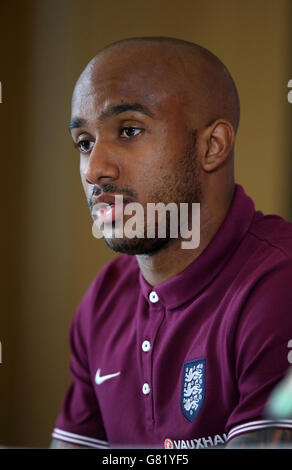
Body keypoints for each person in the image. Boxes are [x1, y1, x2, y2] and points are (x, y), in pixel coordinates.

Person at [50, 37, 292, 449]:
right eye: (85, 143)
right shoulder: (102, 302)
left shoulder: (279, 283)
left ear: (211, 146)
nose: (94, 170)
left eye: (128, 130)